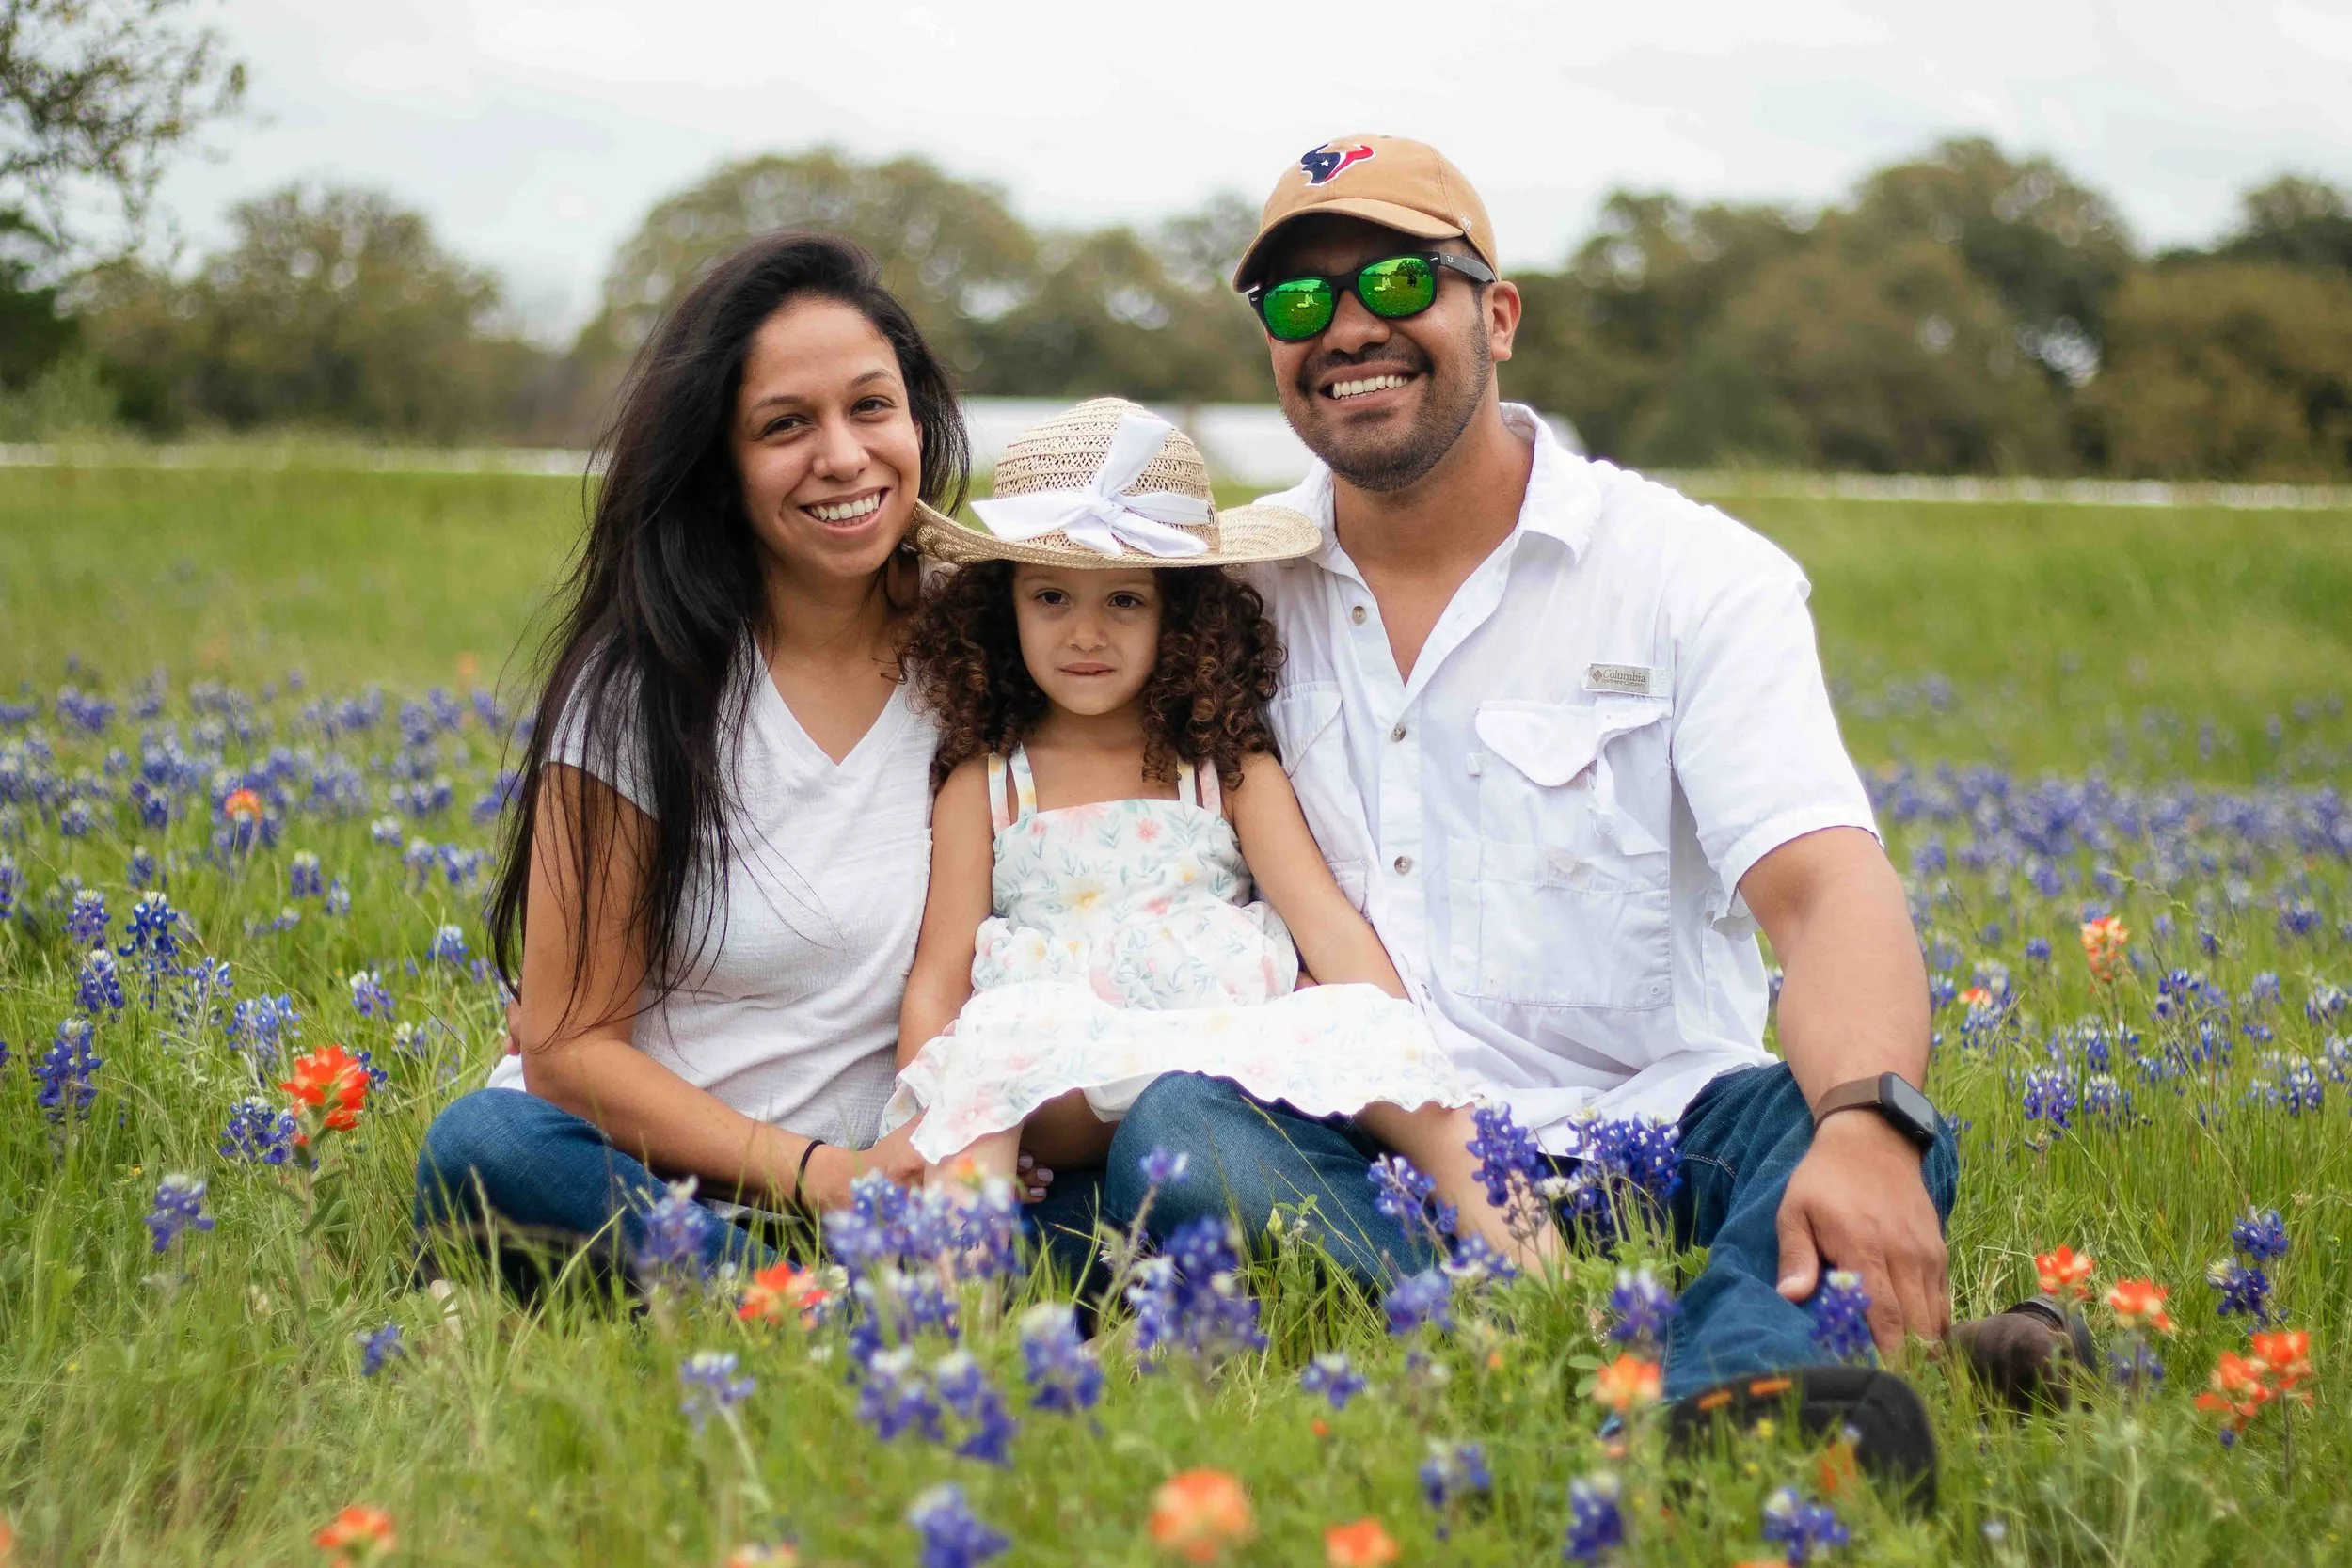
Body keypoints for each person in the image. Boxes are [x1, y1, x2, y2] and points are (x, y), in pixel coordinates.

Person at [1087, 135, 2004, 1500]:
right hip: (1364, 1134)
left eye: (1397, 279)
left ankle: (1719, 1387)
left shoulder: (1694, 576)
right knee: (1176, 1129)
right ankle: (1660, 1367)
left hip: (1655, 1130)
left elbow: (1823, 889)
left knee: (1844, 1127)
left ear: (1497, 313)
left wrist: (1869, 1123)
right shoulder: (1226, 588)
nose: (1347, 328)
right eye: (1296, 302)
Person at [412, 232, 1040, 1275]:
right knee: (485, 1148)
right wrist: (823, 1176)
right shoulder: (648, 684)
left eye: (871, 407)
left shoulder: (991, 648)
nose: (842, 456)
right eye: (784, 425)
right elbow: (567, 1050)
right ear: (722, 464)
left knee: (1154, 1173)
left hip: (909, 1174)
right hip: (659, 1181)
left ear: (917, 418)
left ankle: (836, 1294)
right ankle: (803, 1304)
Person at [883, 398, 1550, 1270]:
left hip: (1225, 1031)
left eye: (1125, 599)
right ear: (1001, 607)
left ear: (1179, 614)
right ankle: (955, 1323)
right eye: (1051, 595)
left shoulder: (1222, 761)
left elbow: (1325, 922)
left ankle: (1543, 1276)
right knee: (983, 1077)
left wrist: (1390, 1039)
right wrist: (932, 1119)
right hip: (1058, 1064)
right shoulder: (988, 780)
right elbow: (940, 980)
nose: (1086, 633)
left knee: (1400, 1064)